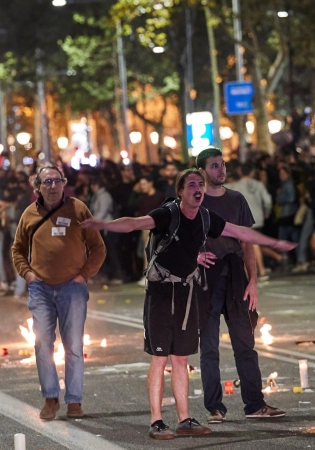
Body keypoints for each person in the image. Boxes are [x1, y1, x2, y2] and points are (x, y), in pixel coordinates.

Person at [82, 169, 295, 440]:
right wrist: (102, 224)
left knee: (181, 358)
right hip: (160, 293)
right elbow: (134, 223)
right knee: (160, 358)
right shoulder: (168, 214)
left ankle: (184, 420)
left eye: (201, 184)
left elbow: (239, 231)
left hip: (186, 291)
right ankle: (157, 421)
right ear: (180, 191)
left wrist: (274, 243)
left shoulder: (205, 217)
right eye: (192, 184)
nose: (198, 188)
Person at [195, 149, 290, 425]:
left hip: (236, 276)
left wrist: (253, 280)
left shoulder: (237, 199)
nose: (221, 170)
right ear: (201, 171)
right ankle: (214, 407)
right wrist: (194, 258)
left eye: (222, 165)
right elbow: (182, 241)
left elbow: (247, 243)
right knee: (209, 347)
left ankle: (255, 404)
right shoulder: (193, 203)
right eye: (214, 166)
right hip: (206, 277)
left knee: (245, 344)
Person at [11, 166, 106, 421]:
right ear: (38, 187)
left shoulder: (78, 209)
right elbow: (17, 249)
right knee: (42, 343)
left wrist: (83, 275)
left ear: (64, 184)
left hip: (72, 288)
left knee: (73, 345)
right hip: (40, 288)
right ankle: (50, 397)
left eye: (56, 181)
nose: (52, 186)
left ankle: (74, 400)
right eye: (46, 182)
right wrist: (28, 275)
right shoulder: (29, 214)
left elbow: (98, 248)